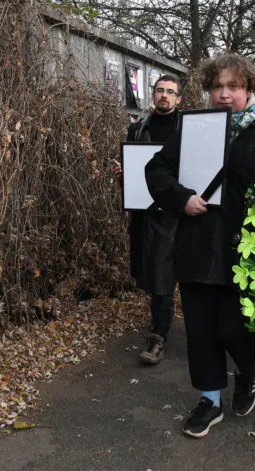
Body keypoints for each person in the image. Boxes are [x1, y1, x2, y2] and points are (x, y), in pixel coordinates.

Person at [146, 54, 255, 438]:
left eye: (233, 86)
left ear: (248, 89)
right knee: (200, 330)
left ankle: (246, 373)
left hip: (244, 254)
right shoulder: (193, 130)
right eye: (217, 86)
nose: (224, 94)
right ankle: (209, 399)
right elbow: (156, 170)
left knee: (235, 329)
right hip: (198, 248)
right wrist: (181, 197)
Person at [113, 74, 183, 365]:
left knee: (164, 271)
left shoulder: (187, 129)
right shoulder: (137, 129)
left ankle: (159, 335)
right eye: (160, 91)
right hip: (145, 211)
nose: (164, 96)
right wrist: (124, 177)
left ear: (179, 99)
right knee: (149, 269)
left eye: (170, 92)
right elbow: (137, 175)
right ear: (152, 95)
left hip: (175, 212)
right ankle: (161, 320)